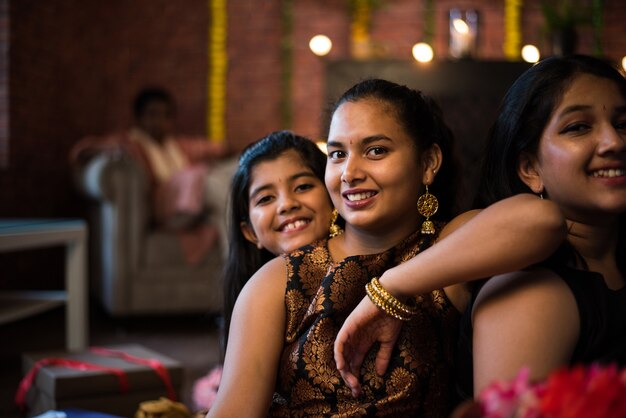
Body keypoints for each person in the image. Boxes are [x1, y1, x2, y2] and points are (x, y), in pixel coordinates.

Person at [208, 79, 565, 417]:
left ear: (428, 164)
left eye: (375, 150)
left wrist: (390, 289)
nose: (349, 172)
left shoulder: (449, 246)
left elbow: (543, 219)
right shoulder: (279, 280)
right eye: (336, 154)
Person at [454, 54, 626, 397]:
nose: (615, 142)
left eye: (624, 124)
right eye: (578, 127)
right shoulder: (532, 292)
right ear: (531, 169)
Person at [70, 86, 236, 263]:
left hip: (195, 206)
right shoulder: (130, 144)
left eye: (165, 115)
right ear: (139, 118)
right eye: (152, 115)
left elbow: (220, 149)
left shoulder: (179, 146)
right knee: (210, 181)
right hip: (167, 210)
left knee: (230, 181)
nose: (159, 121)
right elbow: (82, 152)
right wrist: (106, 154)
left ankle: (236, 265)